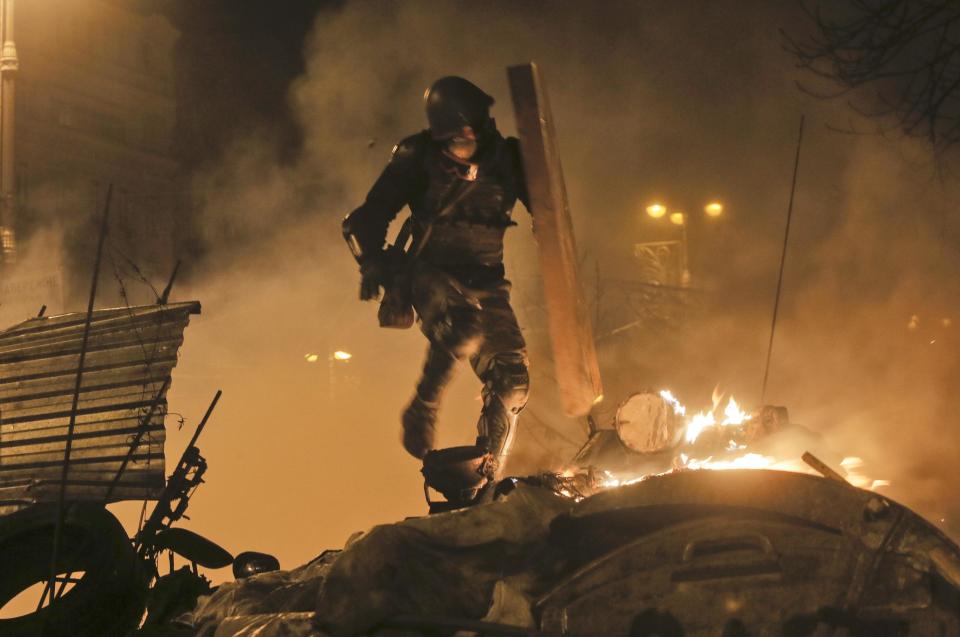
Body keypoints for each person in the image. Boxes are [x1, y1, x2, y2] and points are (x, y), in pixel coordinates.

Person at [342, 76, 531, 478]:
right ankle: (422, 408)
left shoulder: (510, 160)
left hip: (488, 281)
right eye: (454, 140)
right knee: (463, 325)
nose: (462, 147)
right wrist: (372, 262)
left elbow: (550, 208)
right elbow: (366, 217)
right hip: (428, 272)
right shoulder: (418, 156)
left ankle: (484, 476)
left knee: (512, 380)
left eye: (467, 137)